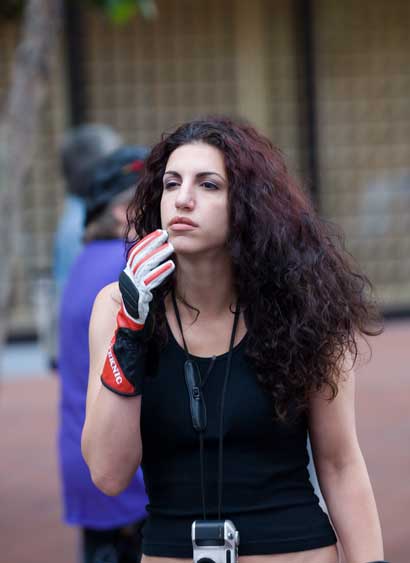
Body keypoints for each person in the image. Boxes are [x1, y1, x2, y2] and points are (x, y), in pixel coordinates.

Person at [82, 117, 388, 563]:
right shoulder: (118, 306)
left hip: (293, 551)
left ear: (247, 204)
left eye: (208, 185)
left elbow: (340, 464)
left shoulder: (304, 307)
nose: (183, 199)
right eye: (172, 183)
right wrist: (130, 331)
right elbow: (109, 474)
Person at [58, 145, 149, 563]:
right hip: (128, 473)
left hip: (86, 461)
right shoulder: (130, 269)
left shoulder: (83, 264)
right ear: (121, 212)